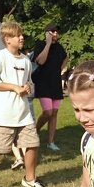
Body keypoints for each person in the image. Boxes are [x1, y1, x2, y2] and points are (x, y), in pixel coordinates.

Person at [0, 21, 43, 187]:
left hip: (23, 115)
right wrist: (14, 87)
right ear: (7, 39)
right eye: (17, 35)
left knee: (32, 144)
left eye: (21, 34)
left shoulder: (25, 60)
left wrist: (28, 87)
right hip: (0, 115)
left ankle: (29, 179)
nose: (21, 37)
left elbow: (28, 81)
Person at [32, 23, 67, 151]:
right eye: (53, 31)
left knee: (54, 113)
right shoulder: (40, 44)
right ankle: (35, 131)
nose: (56, 33)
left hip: (55, 83)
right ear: (47, 33)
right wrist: (47, 44)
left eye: (57, 31)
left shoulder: (59, 47)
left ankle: (51, 142)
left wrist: (60, 69)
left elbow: (66, 57)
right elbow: (40, 61)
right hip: (43, 83)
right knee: (48, 112)